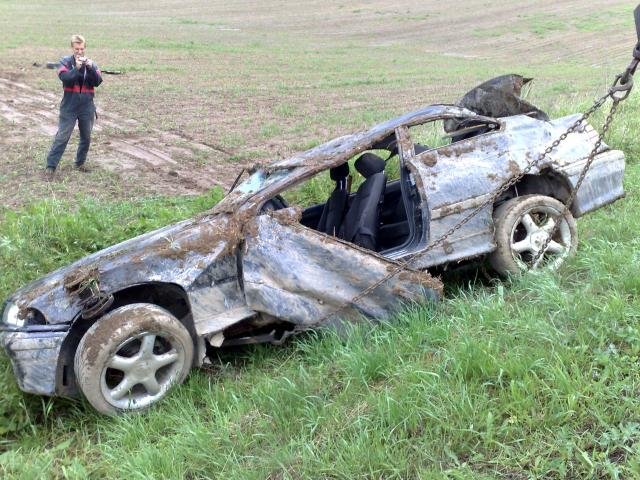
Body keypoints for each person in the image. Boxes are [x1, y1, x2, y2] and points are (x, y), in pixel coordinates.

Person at [45, 34, 102, 178]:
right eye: (77, 49)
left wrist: (89, 67)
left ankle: (80, 163)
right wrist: (76, 69)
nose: (79, 52)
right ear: (72, 48)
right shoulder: (64, 62)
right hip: (69, 106)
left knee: (86, 137)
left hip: (87, 106)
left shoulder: (91, 63)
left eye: (82, 48)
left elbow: (98, 81)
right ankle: (51, 166)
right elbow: (66, 79)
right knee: (63, 136)